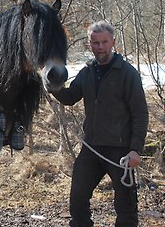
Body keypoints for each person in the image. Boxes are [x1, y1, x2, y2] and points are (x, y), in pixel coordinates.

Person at [50, 21, 149, 227]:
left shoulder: (127, 73)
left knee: (126, 207)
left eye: (104, 42)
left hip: (121, 151)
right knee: (77, 199)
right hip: (92, 148)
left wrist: (135, 150)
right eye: (96, 43)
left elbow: (140, 113)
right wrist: (52, 85)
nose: (100, 47)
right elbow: (69, 97)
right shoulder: (87, 72)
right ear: (89, 44)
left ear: (113, 42)